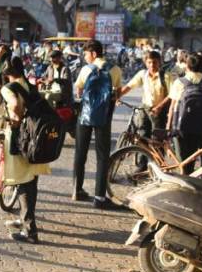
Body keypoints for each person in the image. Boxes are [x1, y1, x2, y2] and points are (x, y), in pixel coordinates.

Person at [0, 56, 52, 244]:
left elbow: (14, 105)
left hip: (21, 139)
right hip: (36, 141)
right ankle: (25, 221)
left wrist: (17, 119)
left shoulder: (8, 88)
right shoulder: (29, 85)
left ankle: (30, 232)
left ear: (7, 73)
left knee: (23, 183)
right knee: (31, 182)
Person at [72, 40, 124, 209]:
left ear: (94, 54)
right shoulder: (115, 69)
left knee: (80, 153)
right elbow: (117, 92)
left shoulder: (86, 69)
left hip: (85, 116)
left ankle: (77, 190)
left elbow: (78, 90)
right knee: (102, 157)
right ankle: (99, 197)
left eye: (86, 54)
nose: (85, 57)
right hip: (104, 117)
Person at [167, 54, 202, 174]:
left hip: (180, 125)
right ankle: (190, 175)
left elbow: (172, 106)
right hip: (199, 125)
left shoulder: (180, 82)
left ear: (186, 66)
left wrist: (168, 127)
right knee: (192, 154)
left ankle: (184, 177)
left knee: (182, 156)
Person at [116, 49, 172, 140]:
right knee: (142, 137)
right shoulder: (142, 74)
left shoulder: (166, 76)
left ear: (159, 62)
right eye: (149, 62)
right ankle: (142, 154)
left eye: (155, 62)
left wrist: (159, 107)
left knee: (156, 140)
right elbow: (128, 87)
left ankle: (155, 154)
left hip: (159, 111)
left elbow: (172, 95)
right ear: (146, 63)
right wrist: (117, 96)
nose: (152, 65)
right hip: (145, 109)